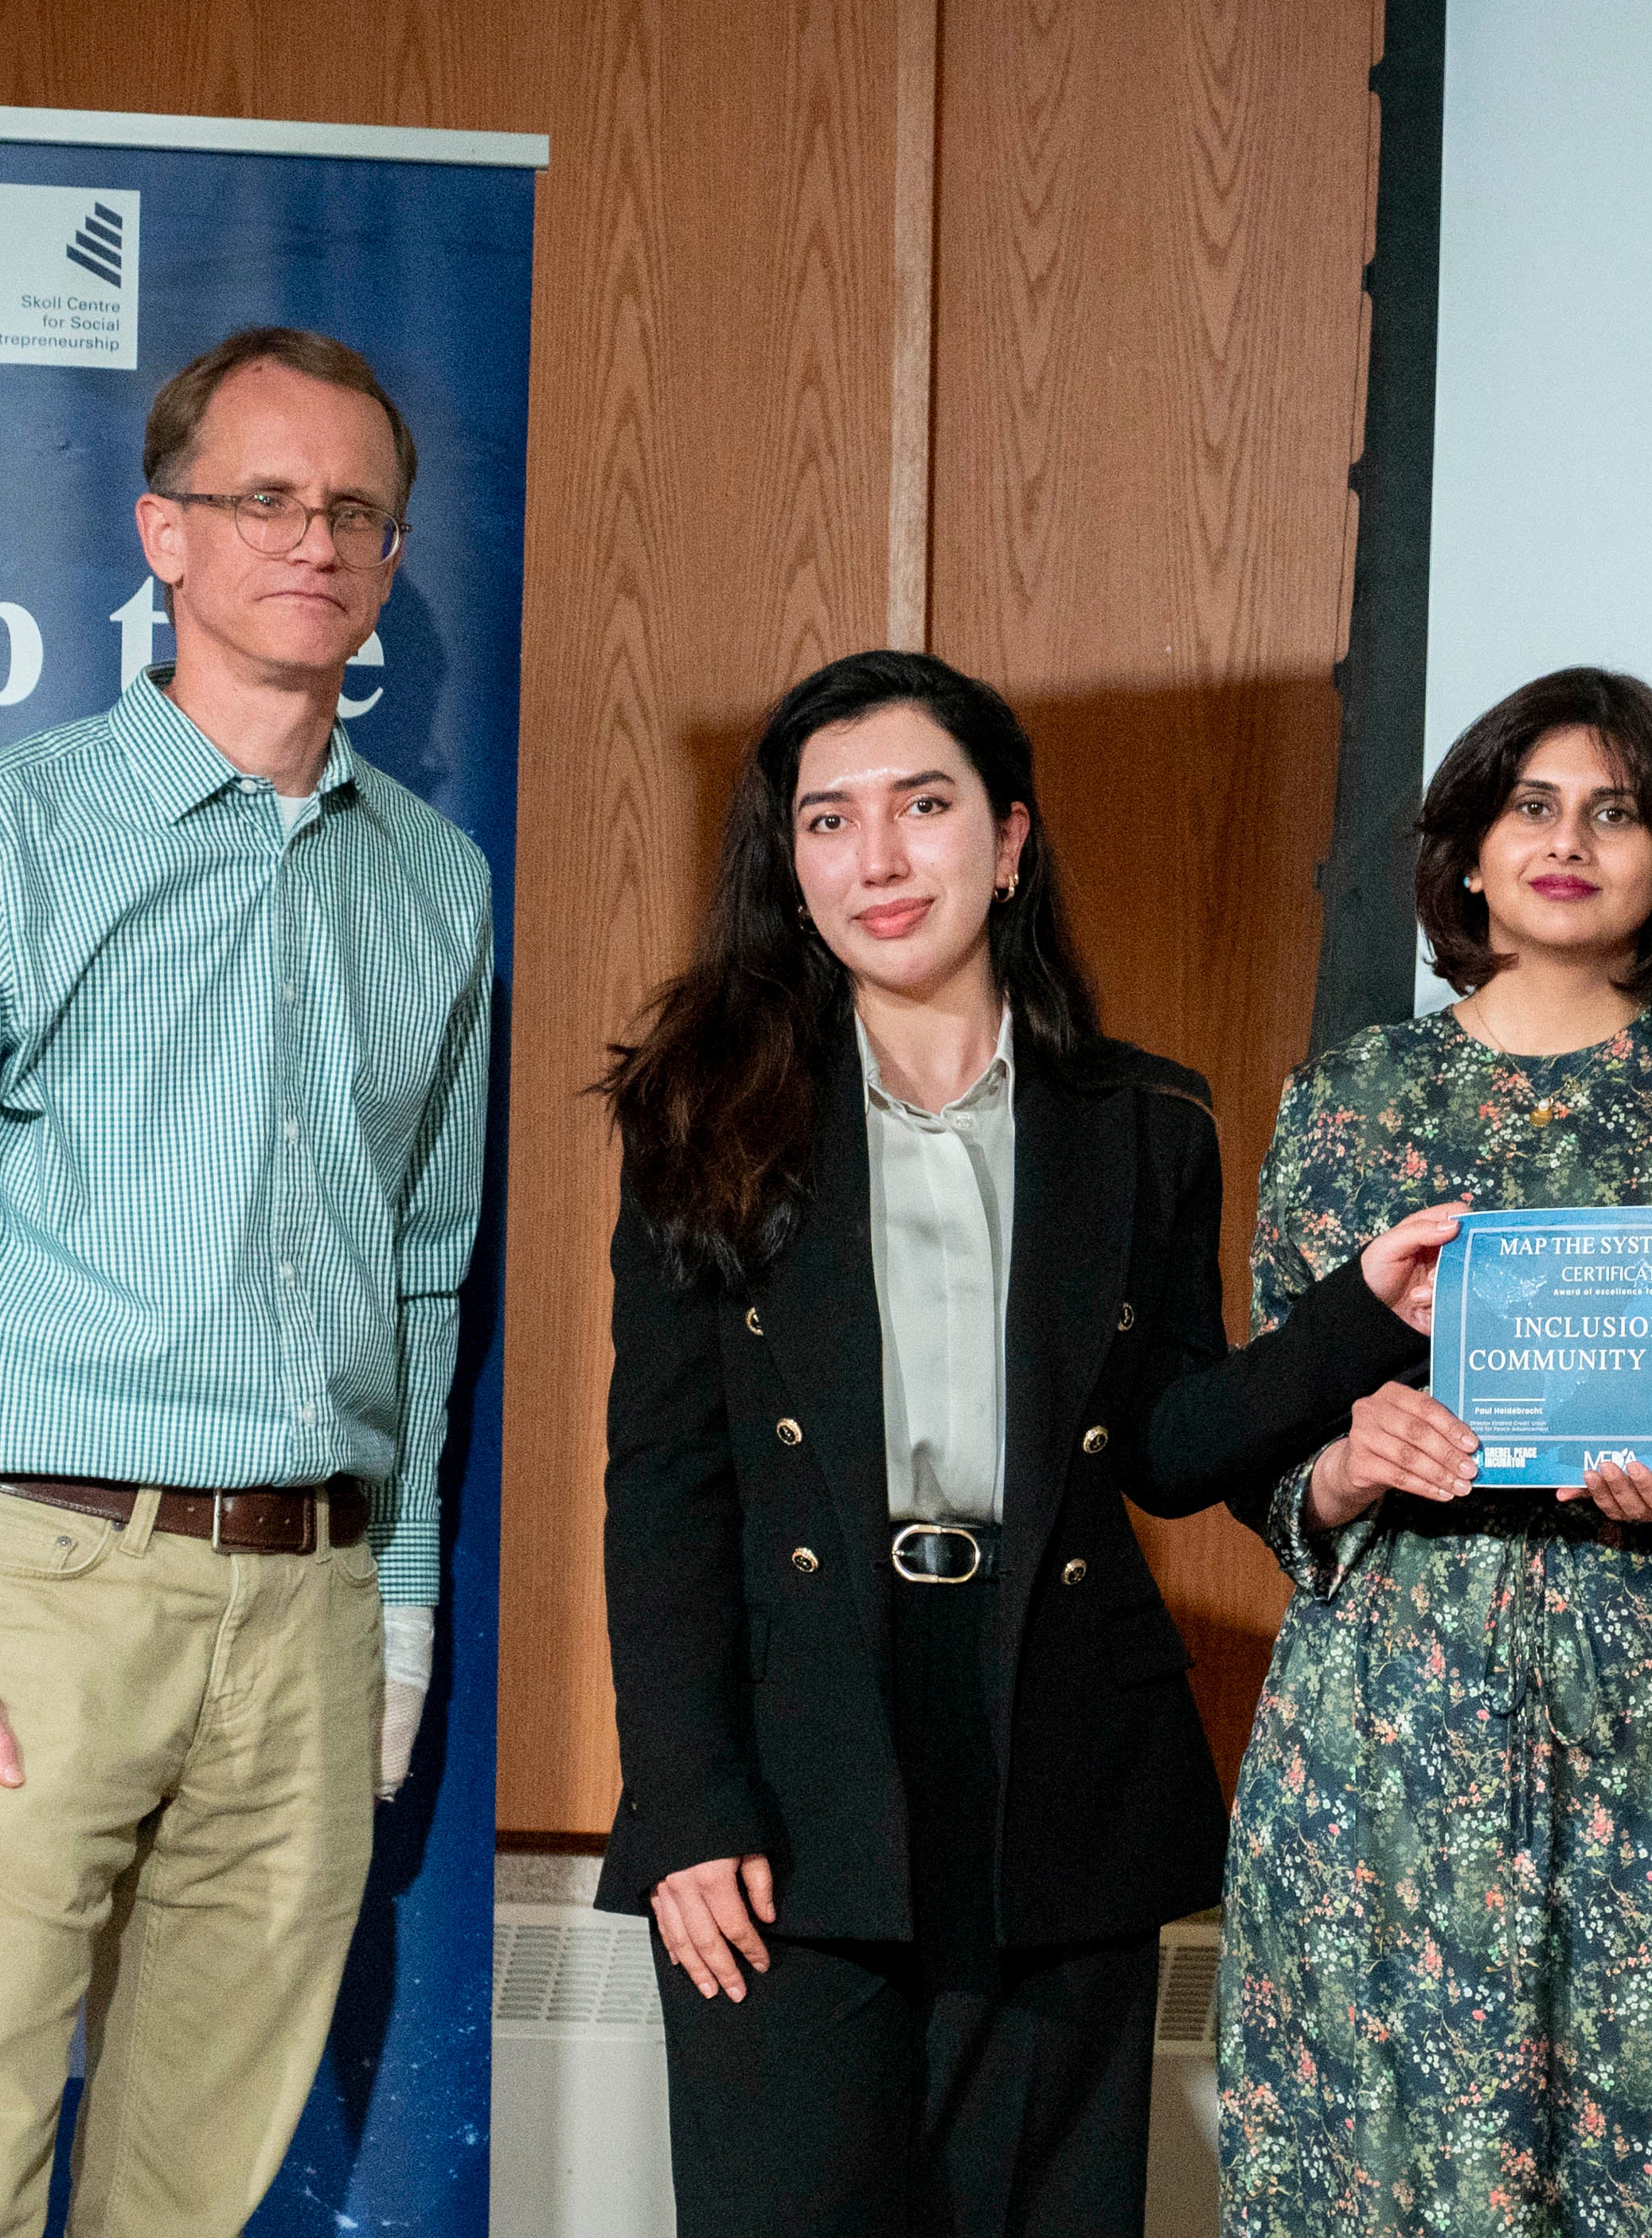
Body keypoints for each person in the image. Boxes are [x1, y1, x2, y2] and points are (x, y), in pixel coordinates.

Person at [0, 326, 492, 2238]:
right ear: (162, 534)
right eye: (265, 496)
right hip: (29, 1602)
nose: (313, 538)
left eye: (357, 509)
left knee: (195, 2191)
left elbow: (427, 1281)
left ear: (394, 562)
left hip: (311, 1611)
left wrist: (398, 1609)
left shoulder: (436, 886)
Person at [596, 648, 1455, 2236]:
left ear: (1006, 840)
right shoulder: (702, 1109)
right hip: (794, 1769)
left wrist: (1356, 1317)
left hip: (1057, 1749)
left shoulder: (1142, 1120)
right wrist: (684, 1803)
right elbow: (662, 1485)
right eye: (827, 821)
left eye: (920, 808)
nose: (875, 858)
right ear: (787, 867)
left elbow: (1169, 1450)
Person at [1217, 667, 1652, 2236]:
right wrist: (1345, 1456)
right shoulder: (1353, 1101)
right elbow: (1258, 1442)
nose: (1568, 840)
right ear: (1465, 852)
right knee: (1389, 2186)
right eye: (1529, 804)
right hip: (1392, 1731)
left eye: (1615, 811)